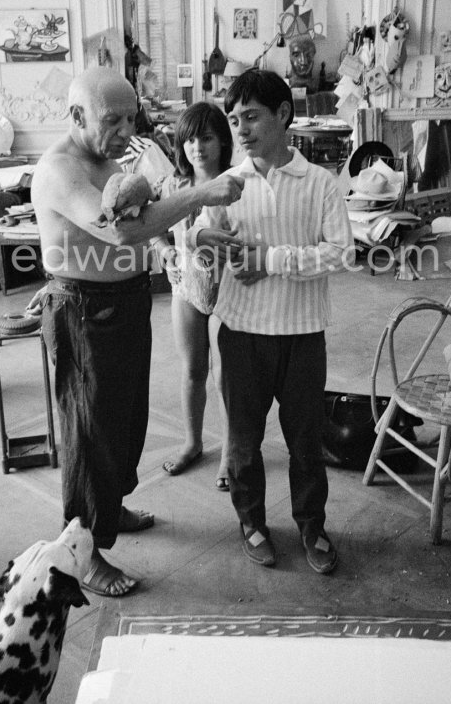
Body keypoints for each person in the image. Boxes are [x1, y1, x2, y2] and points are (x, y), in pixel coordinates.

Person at [31, 67, 244, 598]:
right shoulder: (61, 169)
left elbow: (142, 223)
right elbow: (121, 227)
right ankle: (84, 551)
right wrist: (203, 195)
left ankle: (111, 509)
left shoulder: (109, 161)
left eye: (132, 118)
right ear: (76, 115)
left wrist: (171, 242)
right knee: (90, 430)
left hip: (124, 301)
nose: (126, 130)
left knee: (125, 419)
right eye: (113, 120)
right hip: (84, 310)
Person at [188, 69, 354, 573]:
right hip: (240, 334)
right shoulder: (227, 184)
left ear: (284, 115)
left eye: (252, 117)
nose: (240, 130)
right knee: (242, 441)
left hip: (303, 335)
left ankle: (311, 524)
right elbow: (198, 236)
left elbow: (340, 253)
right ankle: (252, 521)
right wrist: (202, 245)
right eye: (234, 119)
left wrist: (271, 260)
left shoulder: (320, 184)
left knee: (305, 440)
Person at [152, 103, 239, 491]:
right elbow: (152, 226)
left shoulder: (236, 183)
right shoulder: (174, 186)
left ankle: (229, 453)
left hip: (229, 290)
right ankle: (192, 442)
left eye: (206, 138)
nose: (197, 148)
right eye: (188, 140)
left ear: (222, 140)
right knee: (191, 371)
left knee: (225, 376)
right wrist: (163, 249)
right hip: (185, 287)